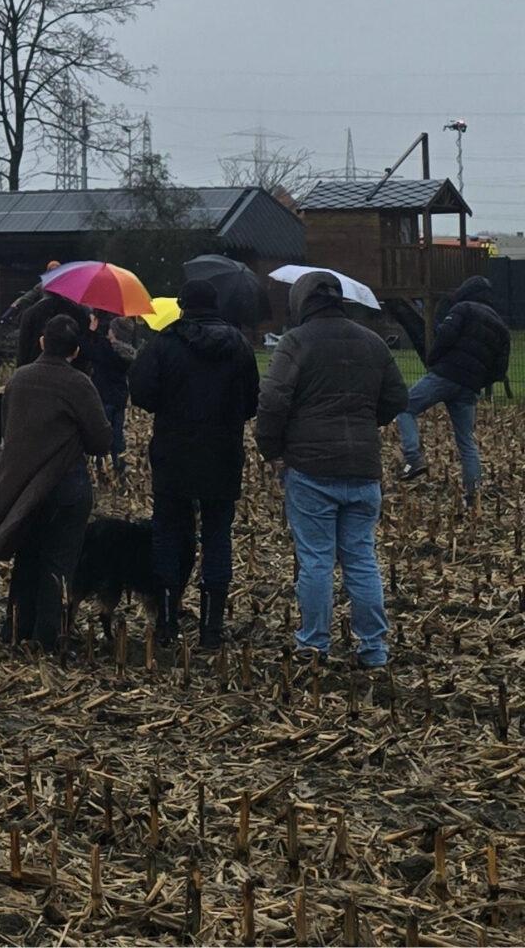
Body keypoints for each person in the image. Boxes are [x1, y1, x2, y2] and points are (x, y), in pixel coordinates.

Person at [255, 271, 409, 669]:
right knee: (361, 558)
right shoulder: (372, 342)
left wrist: (271, 449)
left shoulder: (295, 342)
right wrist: (363, 423)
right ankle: (374, 648)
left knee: (317, 560)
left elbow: (272, 400)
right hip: (363, 468)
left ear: (302, 302)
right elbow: (397, 396)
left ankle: (313, 644)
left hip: (310, 469)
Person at [0, 314, 112, 649]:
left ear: (41, 342)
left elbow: (10, 429)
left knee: (27, 558)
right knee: (58, 565)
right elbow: (101, 441)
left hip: (23, 488)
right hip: (67, 488)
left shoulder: (19, 380)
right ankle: (47, 639)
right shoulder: (79, 384)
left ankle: (15, 630)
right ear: (76, 350)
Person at [128, 279, 260, 646]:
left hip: (174, 454)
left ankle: (167, 623)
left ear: (183, 305)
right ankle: (211, 629)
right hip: (223, 454)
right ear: (216, 305)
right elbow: (252, 402)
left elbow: (141, 393)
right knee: (218, 537)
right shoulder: (240, 346)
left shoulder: (165, 344)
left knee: (168, 535)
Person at [391, 278, 511, 499]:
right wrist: (478, 382)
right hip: (469, 388)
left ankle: (413, 457)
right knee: (466, 441)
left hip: (445, 375)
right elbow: (499, 370)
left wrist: (433, 361)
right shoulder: (501, 327)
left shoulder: (462, 309)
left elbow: (444, 336)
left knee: (405, 406)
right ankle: (473, 495)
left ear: (466, 291)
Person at [80, 311, 137, 487]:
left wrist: (91, 330)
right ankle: (120, 471)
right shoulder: (127, 354)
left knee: (100, 435)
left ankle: (101, 470)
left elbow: (86, 349)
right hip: (119, 398)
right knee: (117, 436)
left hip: (103, 397)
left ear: (115, 332)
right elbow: (103, 348)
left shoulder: (106, 350)